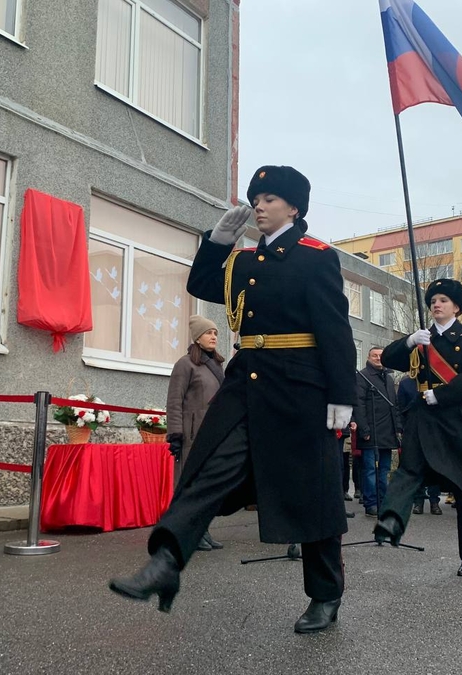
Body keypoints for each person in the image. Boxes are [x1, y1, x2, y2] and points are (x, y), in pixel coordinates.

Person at [109, 165, 355, 634]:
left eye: (268, 198)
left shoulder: (314, 257)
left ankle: (325, 595)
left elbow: (335, 331)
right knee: (207, 468)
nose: (258, 205)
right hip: (248, 383)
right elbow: (201, 286)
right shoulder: (244, 261)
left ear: (293, 207)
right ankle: (166, 563)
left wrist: (342, 396)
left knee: (313, 493)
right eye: (255, 197)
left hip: (303, 389)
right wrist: (217, 243)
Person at [373, 278, 462, 577]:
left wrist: (441, 394)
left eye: (443, 300)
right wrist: (409, 341)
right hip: (424, 418)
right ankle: (391, 522)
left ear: (456, 308)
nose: (436, 304)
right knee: (408, 470)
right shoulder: (422, 339)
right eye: (433, 300)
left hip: (458, 418)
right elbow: (386, 359)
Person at [165, 315, 226, 552]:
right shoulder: (185, 364)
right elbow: (174, 401)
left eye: (215, 333)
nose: (213, 337)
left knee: (206, 487)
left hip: (211, 437)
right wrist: (176, 434)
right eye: (209, 332)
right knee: (188, 486)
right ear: (197, 337)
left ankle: (203, 530)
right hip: (191, 436)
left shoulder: (217, 365)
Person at [354, 347, 401, 517]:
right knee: (370, 470)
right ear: (368, 357)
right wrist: (364, 429)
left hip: (388, 433)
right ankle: (371, 503)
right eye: (375, 355)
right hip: (371, 432)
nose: (378, 358)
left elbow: (394, 405)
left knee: (384, 470)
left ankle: (384, 501)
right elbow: (358, 405)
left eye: (381, 356)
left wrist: (398, 428)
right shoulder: (362, 376)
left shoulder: (388, 378)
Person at [397, 374, 442, 515]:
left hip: (434, 429)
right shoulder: (406, 383)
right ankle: (418, 501)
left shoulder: (437, 381)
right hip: (413, 430)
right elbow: (400, 408)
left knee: (435, 466)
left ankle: (435, 502)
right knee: (417, 466)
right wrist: (402, 428)